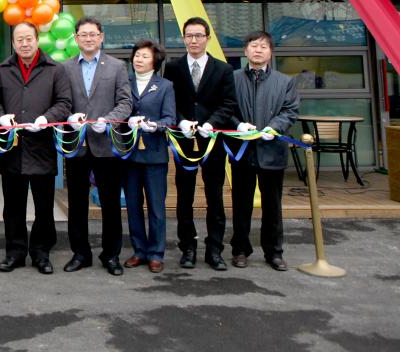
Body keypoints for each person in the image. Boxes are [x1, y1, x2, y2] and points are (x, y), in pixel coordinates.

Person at [0, 21, 72, 275]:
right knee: (13, 207)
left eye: (29, 39)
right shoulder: (2, 70)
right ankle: (14, 252)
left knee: (43, 206)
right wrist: (1, 116)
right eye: (19, 40)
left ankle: (41, 252)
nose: (24, 44)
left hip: (42, 148)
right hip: (12, 150)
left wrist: (47, 118)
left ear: (37, 40)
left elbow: (64, 102)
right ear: (13, 43)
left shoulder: (55, 70)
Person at [163, 16, 238, 271]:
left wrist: (212, 123)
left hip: (212, 139)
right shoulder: (173, 68)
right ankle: (188, 247)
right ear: (183, 38)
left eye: (198, 35)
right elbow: (169, 100)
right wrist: (182, 121)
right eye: (189, 35)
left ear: (207, 38)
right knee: (184, 195)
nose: (193, 40)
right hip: (183, 138)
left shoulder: (223, 69)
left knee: (214, 195)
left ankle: (215, 249)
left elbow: (229, 103)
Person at [63, 16, 132, 275]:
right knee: (77, 203)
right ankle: (80, 254)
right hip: (78, 145)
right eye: (83, 34)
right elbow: (61, 101)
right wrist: (69, 117)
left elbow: (125, 101)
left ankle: (111, 255)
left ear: (101, 37)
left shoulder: (116, 67)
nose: (88, 38)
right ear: (76, 38)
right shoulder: (65, 68)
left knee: (110, 204)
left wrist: (110, 120)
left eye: (93, 34)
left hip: (106, 145)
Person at [230, 31, 299, 271]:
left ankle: (274, 252)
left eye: (263, 46)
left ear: (270, 52)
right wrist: (237, 123)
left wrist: (275, 126)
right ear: (245, 50)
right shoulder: (233, 78)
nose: (258, 50)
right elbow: (225, 108)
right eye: (253, 46)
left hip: (272, 152)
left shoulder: (285, 81)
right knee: (241, 204)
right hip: (242, 151)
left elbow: (290, 111)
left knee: (272, 205)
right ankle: (240, 249)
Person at [123, 40, 176, 273]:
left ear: (155, 61)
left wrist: (154, 125)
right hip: (130, 155)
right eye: (137, 55)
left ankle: (156, 253)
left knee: (156, 207)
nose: (139, 59)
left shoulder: (165, 86)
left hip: (154, 155)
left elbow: (170, 119)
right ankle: (139, 250)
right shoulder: (125, 82)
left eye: (144, 56)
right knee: (133, 206)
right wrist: (128, 121)